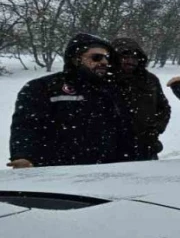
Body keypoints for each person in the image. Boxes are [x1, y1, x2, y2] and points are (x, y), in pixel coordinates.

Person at [8, 33, 135, 168]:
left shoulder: (111, 90)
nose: (103, 62)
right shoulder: (43, 87)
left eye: (107, 58)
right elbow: (26, 126)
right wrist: (23, 155)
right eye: (96, 57)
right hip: (56, 173)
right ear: (76, 59)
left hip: (105, 172)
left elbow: (123, 131)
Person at [112, 37, 172, 161]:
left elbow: (164, 108)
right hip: (111, 149)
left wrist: (156, 129)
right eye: (124, 57)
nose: (130, 61)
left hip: (146, 147)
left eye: (134, 58)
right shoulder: (104, 80)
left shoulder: (150, 80)